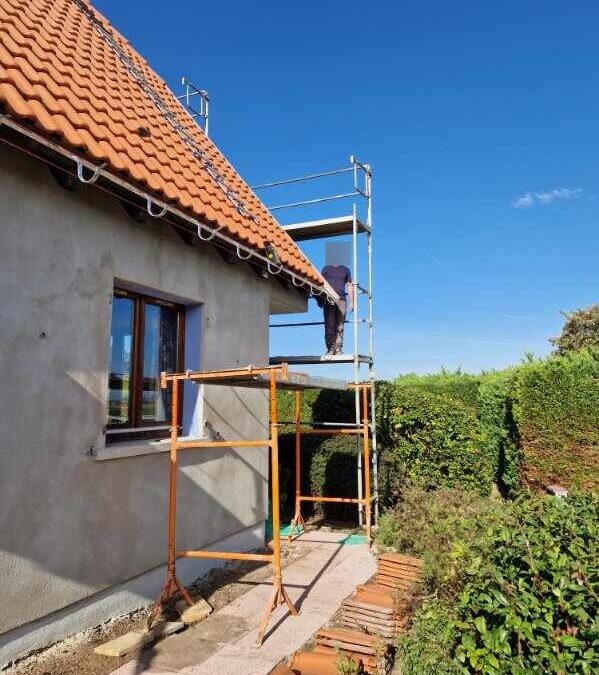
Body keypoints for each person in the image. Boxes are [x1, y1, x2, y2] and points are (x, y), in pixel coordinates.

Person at [321, 263, 353, 355]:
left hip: (342, 300)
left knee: (340, 325)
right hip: (329, 299)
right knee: (329, 324)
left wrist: (352, 302)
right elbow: (320, 282)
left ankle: (338, 348)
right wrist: (320, 299)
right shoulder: (326, 268)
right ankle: (330, 348)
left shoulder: (346, 269)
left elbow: (349, 285)